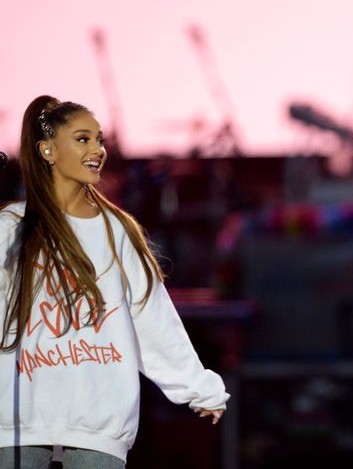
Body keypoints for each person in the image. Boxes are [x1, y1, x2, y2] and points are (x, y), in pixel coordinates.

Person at [0, 96, 229, 468]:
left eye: (99, 139)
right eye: (82, 139)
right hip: (17, 420)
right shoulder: (11, 228)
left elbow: (151, 314)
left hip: (99, 419)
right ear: (48, 150)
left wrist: (196, 386)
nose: (98, 150)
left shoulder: (116, 230)